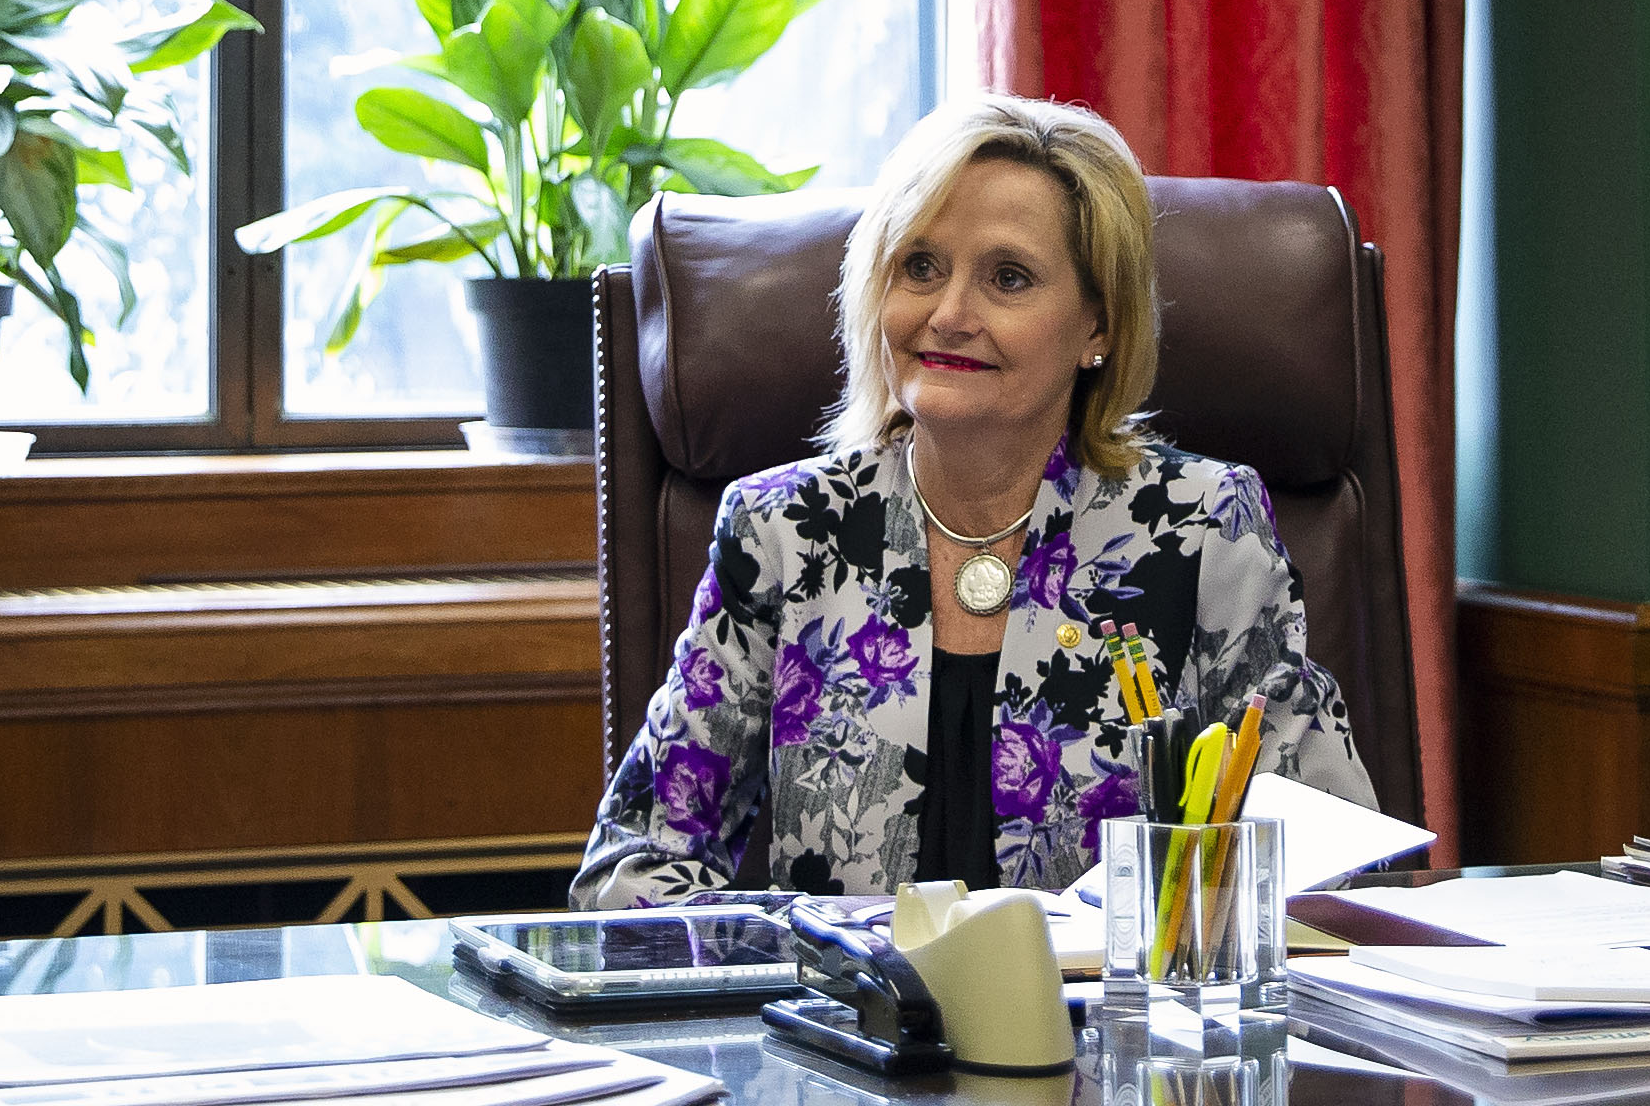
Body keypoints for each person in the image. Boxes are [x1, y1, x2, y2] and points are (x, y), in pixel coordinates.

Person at [575, 94, 1380, 905]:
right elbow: (623, 875)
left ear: (1097, 323)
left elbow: (1327, 865)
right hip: (854, 1023)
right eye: (919, 266)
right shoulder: (783, 532)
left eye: (1008, 277)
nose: (949, 314)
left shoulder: (1204, 528)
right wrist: (831, 948)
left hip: (1108, 1024)